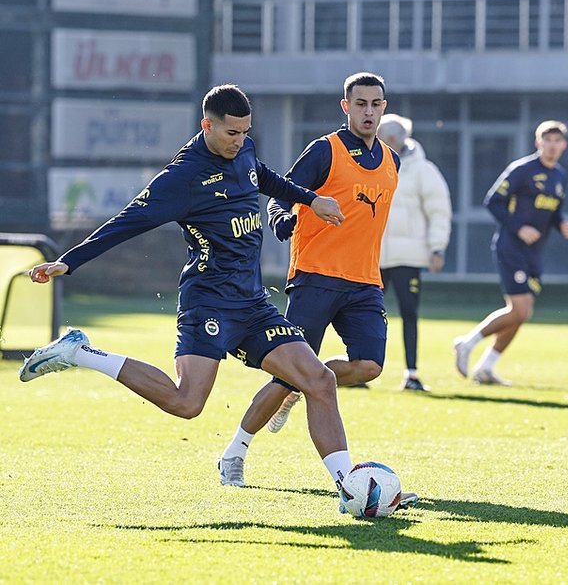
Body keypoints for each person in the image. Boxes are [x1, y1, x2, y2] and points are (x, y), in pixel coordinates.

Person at [19, 84, 357, 510]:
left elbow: (262, 176)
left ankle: (350, 488)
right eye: (232, 133)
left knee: (319, 380)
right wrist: (69, 261)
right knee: (186, 403)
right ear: (207, 125)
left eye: (245, 132)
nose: (240, 140)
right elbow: (129, 220)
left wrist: (310, 199)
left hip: (252, 304)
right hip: (209, 302)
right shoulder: (183, 177)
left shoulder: (244, 149)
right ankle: (81, 353)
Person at [219, 73, 415, 508]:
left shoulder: (392, 161)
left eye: (376, 104)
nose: (368, 111)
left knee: (369, 367)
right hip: (315, 276)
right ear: (346, 106)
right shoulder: (325, 150)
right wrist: (281, 219)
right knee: (287, 372)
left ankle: (303, 385)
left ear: (385, 107)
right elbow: (279, 195)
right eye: (360, 103)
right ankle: (234, 453)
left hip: (364, 282)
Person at [453, 121, 568, 385]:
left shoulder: (560, 176)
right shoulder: (522, 170)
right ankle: (466, 343)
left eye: (557, 141)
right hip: (511, 247)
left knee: (523, 313)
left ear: (564, 145)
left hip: (534, 253)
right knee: (518, 310)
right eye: (547, 140)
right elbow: (493, 201)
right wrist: (518, 228)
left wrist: (561, 223)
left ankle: (486, 368)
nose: (552, 146)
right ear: (538, 142)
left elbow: (552, 210)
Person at [377, 113, 452, 392]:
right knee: (367, 314)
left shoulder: (423, 170)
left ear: (393, 140)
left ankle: (412, 373)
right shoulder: (371, 165)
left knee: (409, 312)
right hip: (374, 257)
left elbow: (439, 212)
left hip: (409, 258)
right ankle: (360, 368)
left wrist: (437, 248)